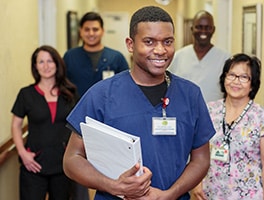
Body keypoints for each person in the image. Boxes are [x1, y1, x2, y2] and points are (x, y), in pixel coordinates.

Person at [63, 6, 215, 200]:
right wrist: (114, 186)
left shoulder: (190, 95)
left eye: (167, 42)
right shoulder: (101, 95)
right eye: (149, 42)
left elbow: (201, 159)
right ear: (130, 44)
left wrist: (169, 195)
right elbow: (71, 159)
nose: (160, 50)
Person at [191, 53, 264, 200]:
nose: (236, 81)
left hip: (248, 196)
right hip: (210, 193)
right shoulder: (209, 111)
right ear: (224, 77)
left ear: (253, 84)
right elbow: (198, 152)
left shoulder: (263, 118)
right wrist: (197, 183)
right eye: (231, 75)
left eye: (244, 77)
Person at [11, 45, 78, 200]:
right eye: (41, 62)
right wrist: (22, 153)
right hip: (33, 164)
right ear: (35, 66)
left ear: (57, 63)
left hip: (62, 165)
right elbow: (16, 125)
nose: (46, 66)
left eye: (50, 61)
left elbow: (78, 125)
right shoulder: (26, 94)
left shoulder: (70, 93)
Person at [169, 10, 230, 103]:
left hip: (214, 114)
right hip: (184, 112)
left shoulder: (225, 58)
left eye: (208, 27)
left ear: (213, 29)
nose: (203, 31)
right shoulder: (179, 56)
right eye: (199, 27)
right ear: (192, 29)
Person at [63, 11, 129, 97]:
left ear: (102, 31)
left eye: (95, 29)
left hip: (108, 108)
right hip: (78, 108)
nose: (91, 33)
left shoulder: (116, 58)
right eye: (87, 29)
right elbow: (61, 85)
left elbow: (126, 86)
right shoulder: (70, 56)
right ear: (81, 31)